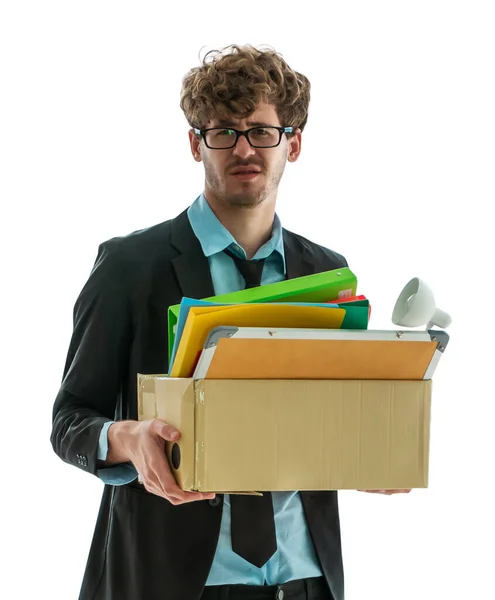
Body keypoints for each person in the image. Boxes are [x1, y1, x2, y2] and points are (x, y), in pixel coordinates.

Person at [51, 43, 409, 600]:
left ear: (294, 142)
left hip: (304, 580)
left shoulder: (327, 273)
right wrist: (126, 437)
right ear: (197, 144)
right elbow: (69, 420)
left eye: (262, 131)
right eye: (224, 131)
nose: (245, 148)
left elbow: (334, 413)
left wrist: (375, 447)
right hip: (172, 581)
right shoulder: (129, 267)